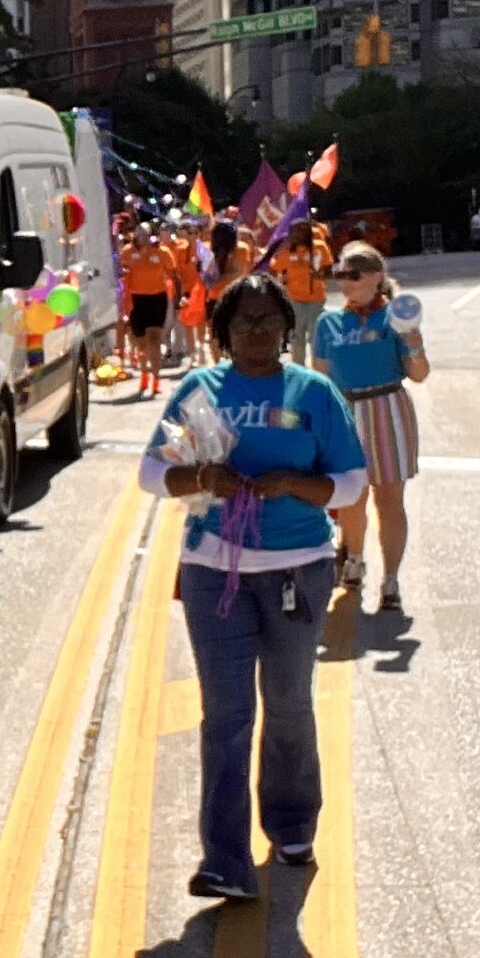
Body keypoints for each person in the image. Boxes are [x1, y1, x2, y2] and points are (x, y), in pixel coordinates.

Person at [140, 272, 368, 902]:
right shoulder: (199, 389)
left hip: (299, 570)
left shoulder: (315, 392)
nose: (259, 333)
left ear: (286, 328)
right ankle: (225, 860)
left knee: (289, 705)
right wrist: (201, 476)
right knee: (227, 715)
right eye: (245, 323)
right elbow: (150, 473)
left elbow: (351, 484)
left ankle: (292, 824)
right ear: (223, 333)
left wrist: (294, 483)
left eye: (270, 320)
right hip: (216, 571)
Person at [311, 241, 429, 612]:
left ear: (376, 277)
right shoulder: (327, 322)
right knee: (351, 497)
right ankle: (355, 560)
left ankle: (391, 580)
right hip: (347, 412)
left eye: (353, 275)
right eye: (340, 276)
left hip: (389, 408)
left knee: (390, 500)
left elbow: (420, 375)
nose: (345, 283)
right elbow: (321, 379)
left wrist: (414, 345)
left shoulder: (395, 317)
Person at [122, 223, 175, 398]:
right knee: (141, 343)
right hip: (136, 300)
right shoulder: (127, 252)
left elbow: (174, 275)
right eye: (138, 234)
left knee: (154, 340)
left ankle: (156, 379)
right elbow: (120, 273)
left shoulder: (162, 252)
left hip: (157, 298)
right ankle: (144, 374)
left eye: (145, 234)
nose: (142, 237)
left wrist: (181, 297)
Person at [271, 217, 332, 366]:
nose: (299, 233)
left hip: (316, 299)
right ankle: (300, 369)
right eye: (296, 230)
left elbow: (329, 270)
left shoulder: (319, 247)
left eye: (303, 230)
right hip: (294, 300)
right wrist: (281, 281)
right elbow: (274, 269)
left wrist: (321, 275)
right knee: (296, 337)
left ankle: (318, 369)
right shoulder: (286, 251)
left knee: (316, 337)